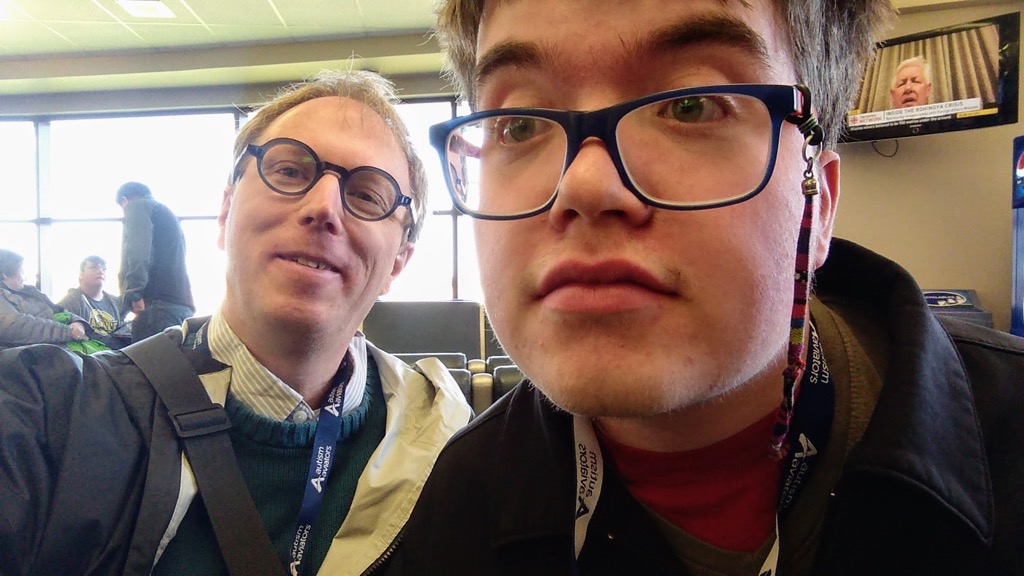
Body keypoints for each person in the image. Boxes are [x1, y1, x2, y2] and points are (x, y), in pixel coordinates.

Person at [386, 1, 1024, 575]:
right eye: (518, 124)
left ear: (818, 205)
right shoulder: (460, 503)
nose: (582, 185)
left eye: (690, 104)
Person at [0, 70, 472, 576]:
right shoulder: (49, 413)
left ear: (398, 263)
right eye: (289, 171)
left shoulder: (455, 449)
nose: (323, 208)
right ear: (224, 213)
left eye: (368, 195)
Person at [116, 180, 195, 341]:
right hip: (180, 307)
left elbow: (137, 251)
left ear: (124, 201)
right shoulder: (166, 213)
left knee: (146, 365)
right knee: (173, 365)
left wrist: (133, 294)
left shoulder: (137, 206)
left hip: (157, 308)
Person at [0, 248, 90, 349]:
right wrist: (68, 331)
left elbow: (59, 310)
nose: (25, 278)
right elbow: (17, 326)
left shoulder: (31, 291)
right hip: (37, 353)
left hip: (61, 344)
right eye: (21, 272)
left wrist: (77, 321)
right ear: (5, 275)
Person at [57, 255, 131, 349]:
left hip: (115, 356)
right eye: (94, 268)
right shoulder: (71, 300)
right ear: (81, 274)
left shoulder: (115, 302)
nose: (101, 271)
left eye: (104, 269)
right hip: (89, 358)